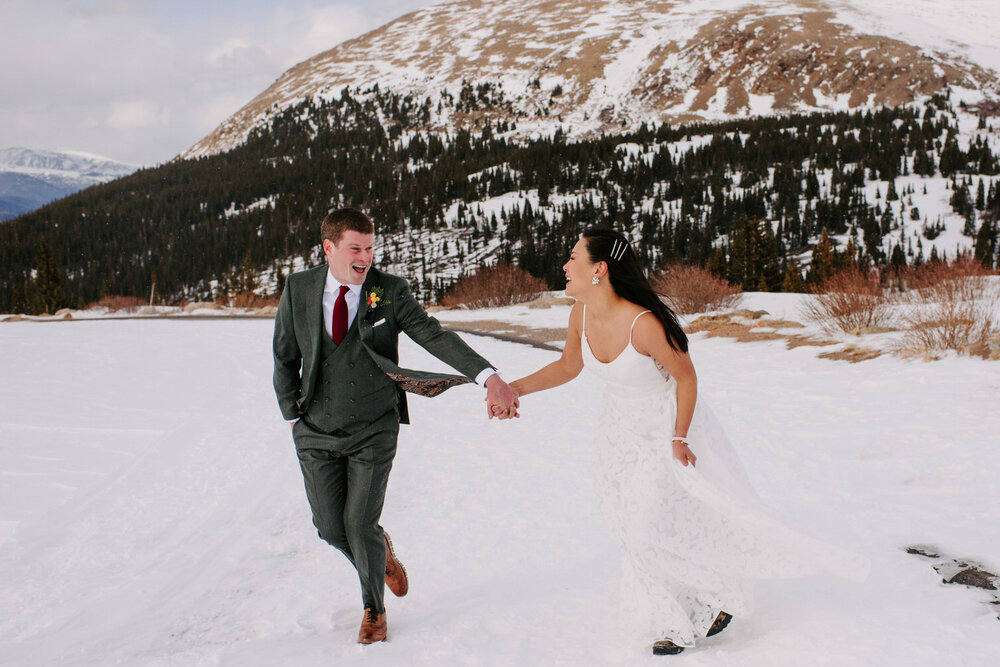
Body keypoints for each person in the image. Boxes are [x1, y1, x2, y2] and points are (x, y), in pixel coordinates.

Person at [506, 227, 866, 655]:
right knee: (627, 525)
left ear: (599, 269)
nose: (565, 266)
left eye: (572, 258)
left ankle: (684, 617)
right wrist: (514, 389)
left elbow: (685, 377)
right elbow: (568, 366)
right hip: (617, 432)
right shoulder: (579, 314)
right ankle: (688, 603)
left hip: (665, 425)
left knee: (646, 527)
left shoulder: (644, 324)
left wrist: (679, 436)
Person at [273, 207, 519, 644]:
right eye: (355, 248)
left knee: (359, 523)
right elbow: (285, 356)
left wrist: (489, 376)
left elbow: (433, 334)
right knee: (331, 528)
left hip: (375, 427)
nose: (365, 257)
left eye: (370, 248)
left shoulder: (388, 291)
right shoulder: (299, 287)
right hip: (315, 428)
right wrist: (292, 415)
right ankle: (380, 550)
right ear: (328, 248)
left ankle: (374, 609)